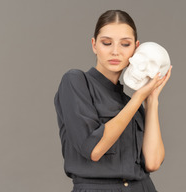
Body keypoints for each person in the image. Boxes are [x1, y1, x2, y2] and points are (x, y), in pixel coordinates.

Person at [54, 9, 172, 192]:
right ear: (94, 45)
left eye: (125, 44)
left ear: (136, 48)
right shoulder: (76, 81)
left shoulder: (131, 102)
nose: (115, 51)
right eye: (106, 43)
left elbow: (153, 163)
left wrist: (152, 101)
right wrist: (138, 98)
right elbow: (94, 150)